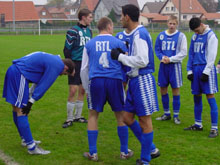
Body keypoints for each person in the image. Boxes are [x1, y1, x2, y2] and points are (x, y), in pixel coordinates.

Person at [111, 4, 159, 165]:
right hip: (134, 81)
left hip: (142, 79)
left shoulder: (139, 34)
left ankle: (145, 159)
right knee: (126, 117)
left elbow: (142, 60)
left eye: (121, 16)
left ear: (127, 17)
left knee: (145, 120)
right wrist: (124, 54)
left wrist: (120, 57)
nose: (120, 19)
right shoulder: (133, 34)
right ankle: (151, 148)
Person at [80, 17, 133, 161]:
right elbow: (127, 65)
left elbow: (84, 69)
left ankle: (93, 153)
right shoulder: (119, 42)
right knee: (120, 115)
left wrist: (86, 88)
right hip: (114, 81)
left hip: (96, 81)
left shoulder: (89, 44)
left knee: (93, 115)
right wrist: (125, 83)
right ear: (109, 26)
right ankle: (124, 152)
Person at [2, 51, 75, 154]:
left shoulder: (52, 59)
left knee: (16, 108)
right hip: (19, 74)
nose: (61, 75)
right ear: (66, 68)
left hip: (14, 71)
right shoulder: (57, 65)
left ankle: (25, 139)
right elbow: (45, 84)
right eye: (64, 74)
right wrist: (31, 101)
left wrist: (30, 97)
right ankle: (31, 147)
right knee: (21, 111)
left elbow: (38, 82)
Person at [184, 17, 218, 138]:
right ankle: (198, 124)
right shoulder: (194, 36)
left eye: (197, 30)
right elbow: (191, 54)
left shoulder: (211, 36)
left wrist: (207, 71)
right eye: (194, 31)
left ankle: (214, 128)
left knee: (210, 97)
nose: (196, 33)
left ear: (202, 24)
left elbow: (212, 55)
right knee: (196, 97)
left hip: (206, 69)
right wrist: (189, 70)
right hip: (196, 69)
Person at [62, 8, 93, 128]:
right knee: (73, 90)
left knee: (82, 90)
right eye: (90, 17)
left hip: (86, 65)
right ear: (84, 17)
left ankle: (78, 116)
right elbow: (66, 49)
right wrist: (71, 66)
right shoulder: (73, 31)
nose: (91, 19)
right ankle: (69, 118)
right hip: (75, 63)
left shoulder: (89, 31)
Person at [155, 15, 187, 124]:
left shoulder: (181, 36)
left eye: (174, 24)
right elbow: (157, 49)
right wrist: (161, 57)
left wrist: (171, 59)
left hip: (175, 67)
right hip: (163, 66)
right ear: (167, 23)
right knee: (163, 89)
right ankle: (167, 113)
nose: (172, 26)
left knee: (175, 90)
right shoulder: (161, 35)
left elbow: (183, 52)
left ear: (177, 24)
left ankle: (176, 116)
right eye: (170, 23)